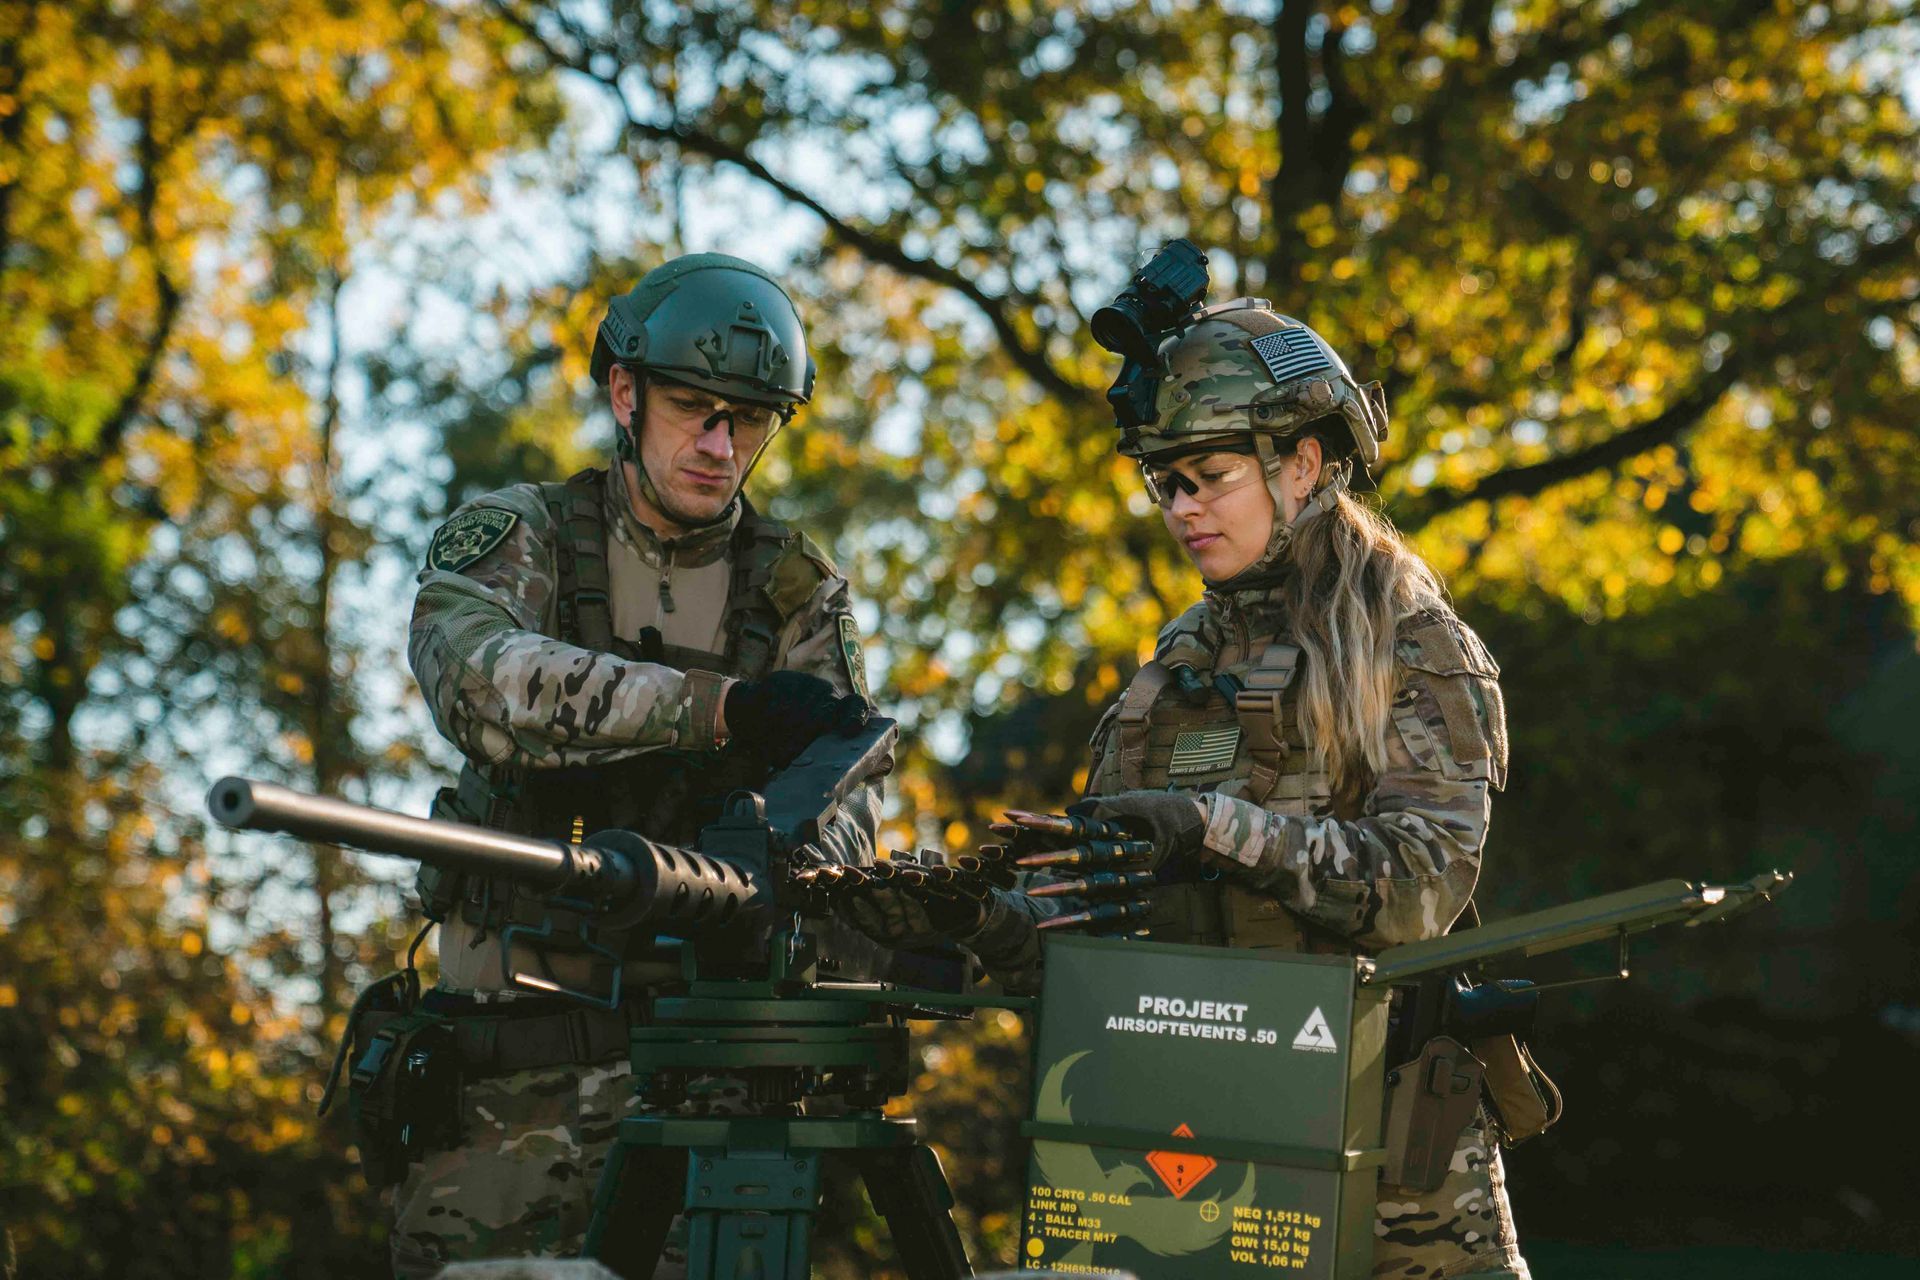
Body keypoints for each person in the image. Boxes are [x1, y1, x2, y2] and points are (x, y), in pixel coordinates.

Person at [861, 302, 1526, 1277]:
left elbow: (1422, 886)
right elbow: (1094, 948)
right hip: (1191, 1137)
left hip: (1390, 1151)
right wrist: (980, 920)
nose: (1182, 509)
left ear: (1301, 461)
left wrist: (1214, 827)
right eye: (1165, 483)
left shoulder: (1411, 644)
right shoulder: (1174, 666)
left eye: (1210, 477)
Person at [391, 253, 879, 1277]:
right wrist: (720, 711)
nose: (721, 443)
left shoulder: (798, 590)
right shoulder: (523, 536)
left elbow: (846, 802)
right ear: (625, 392)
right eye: (694, 408)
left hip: (705, 1088)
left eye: (750, 419)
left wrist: (781, 863)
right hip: (505, 1086)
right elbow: (479, 682)